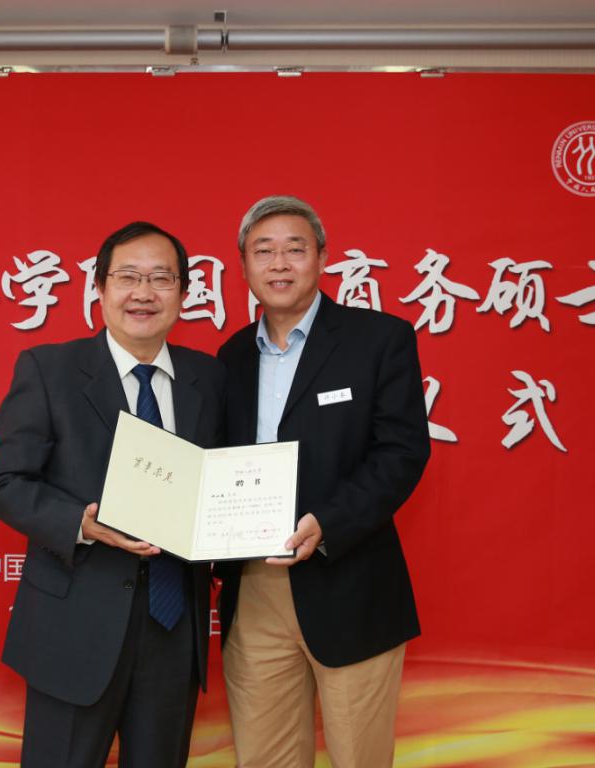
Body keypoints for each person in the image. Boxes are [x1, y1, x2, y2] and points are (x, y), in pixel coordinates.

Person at [0, 221, 224, 767]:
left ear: (184, 293)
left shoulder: (208, 379)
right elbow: (6, 484)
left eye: (161, 278)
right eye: (128, 277)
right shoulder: (49, 369)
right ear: (99, 287)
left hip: (172, 626)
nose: (144, 293)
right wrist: (81, 523)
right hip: (74, 627)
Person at [216, 195, 431, 767]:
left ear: (322, 258)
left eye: (295, 249)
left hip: (349, 582)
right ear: (243, 265)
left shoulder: (378, 339)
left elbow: (402, 452)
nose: (279, 264)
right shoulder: (230, 357)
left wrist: (328, 523)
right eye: (264, 251)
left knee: (359, 757)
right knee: (264, 758)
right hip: (253, 588)